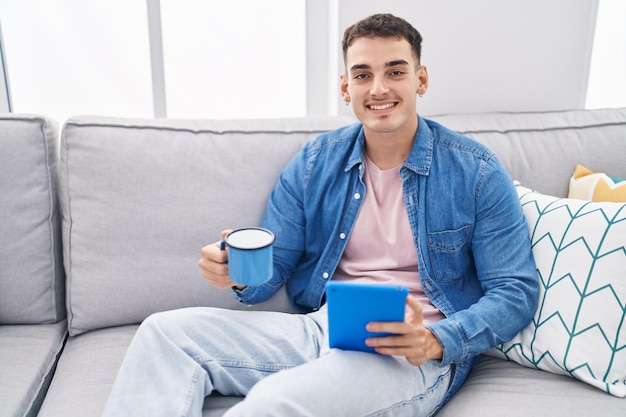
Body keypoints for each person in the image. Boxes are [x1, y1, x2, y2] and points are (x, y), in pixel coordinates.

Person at [103, 13, 539, 417]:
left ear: (420, 79)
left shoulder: (476, 170)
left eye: (396, 71)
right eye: (363, 74)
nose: (379, 88)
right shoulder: (315, 162)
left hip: (410, 351)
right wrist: (235, 270)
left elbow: (514, 291)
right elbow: (271, 270)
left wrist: (436, 341)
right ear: (346, 87)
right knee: (165, 333)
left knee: (273, 402)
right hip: (321, 328)